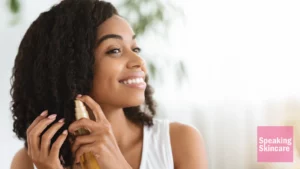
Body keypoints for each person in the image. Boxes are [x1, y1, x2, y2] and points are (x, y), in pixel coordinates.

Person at [10, 0, 207, 169]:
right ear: (71, 68)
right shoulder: (29, 161)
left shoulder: (178, 141)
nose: (138, 61)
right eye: (114, 50)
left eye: (135, 48)